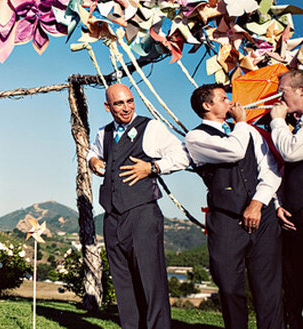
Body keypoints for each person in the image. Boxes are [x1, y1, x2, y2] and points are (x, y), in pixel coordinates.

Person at [87, 83, 189, 329]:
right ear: (107, 106)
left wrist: (153, 168)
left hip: (142, 213)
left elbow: (182, 155)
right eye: (119, 103)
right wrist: (92, 161)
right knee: (123, 283)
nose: (126, 108)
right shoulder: (104, 133)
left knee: (151, 282)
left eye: (130, 101)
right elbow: (94, 151)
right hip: (112, 217)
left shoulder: (150, 128)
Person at [185, 84, 284, 329]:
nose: (230, 102)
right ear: (207, 106)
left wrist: (258, 203)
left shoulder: (249, 132)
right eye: (222, 98)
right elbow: (234, 151)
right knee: (230, 289)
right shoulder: (196, 137)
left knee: (268, 289)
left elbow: (271, 171)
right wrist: (241, 123)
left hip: (263, 218)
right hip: (226, 222)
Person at [270, 70, 303, 329]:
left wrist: (277, 122)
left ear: (301, 91)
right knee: (292, 282)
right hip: (294, 214)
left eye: (284, 91)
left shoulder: (287, 125)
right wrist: (280, 203)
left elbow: (291, 153)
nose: (280, 97)